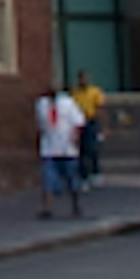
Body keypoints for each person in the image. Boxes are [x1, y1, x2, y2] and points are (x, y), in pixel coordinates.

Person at [35, 81, 84, 219]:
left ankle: (76, 205)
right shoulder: (41, 104)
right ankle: (47, 208)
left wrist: (75, 136)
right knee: (48, 180)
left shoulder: (68, 103)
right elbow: (40, 124)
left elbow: (78, 122)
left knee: (72, 180)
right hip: (49, 149)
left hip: (67, 149)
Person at [73, 72, 106, 191]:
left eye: (85, 79)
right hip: (79, 121)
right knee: (82, 149)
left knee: (93, 148)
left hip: (91, 121)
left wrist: (103, 127)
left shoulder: (94, 92)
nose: (83, 81)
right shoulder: (75, 94)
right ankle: (84, 175)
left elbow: (100, 108)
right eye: (81, 79)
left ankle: (96, 172)